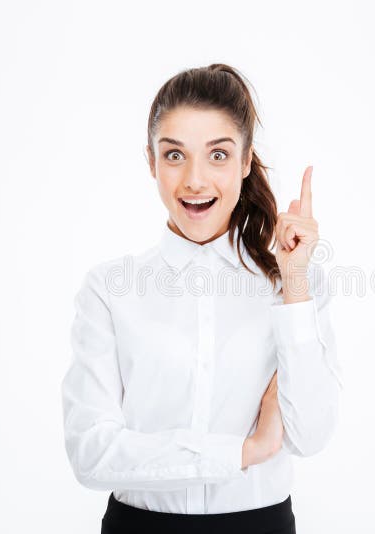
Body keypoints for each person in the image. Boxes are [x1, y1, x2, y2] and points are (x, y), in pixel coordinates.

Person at [60, 63, 344, 534]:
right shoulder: (110, 290)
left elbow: (311, 436)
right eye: (174, 156)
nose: (194, 180)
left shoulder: (292, 285)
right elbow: (90, 454)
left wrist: (295, 289)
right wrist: (241, 453)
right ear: (151, 162)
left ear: (246, 160)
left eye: (218, 155)